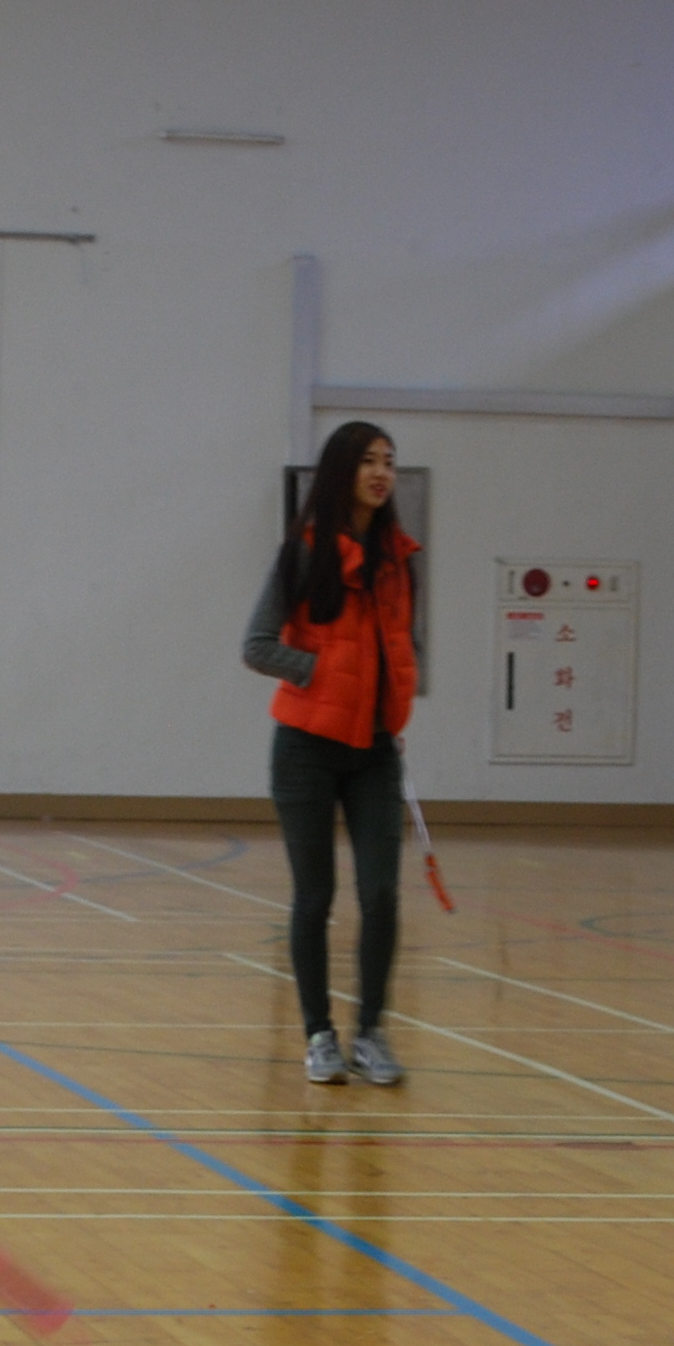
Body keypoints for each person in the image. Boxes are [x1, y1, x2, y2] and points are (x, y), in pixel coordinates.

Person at [243, 420, 418, 1086]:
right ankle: (319, 1033)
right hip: (306, 751)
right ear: (342, 472)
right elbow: (257, 644)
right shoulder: (303, 554)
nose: (381, 473)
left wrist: (389, 707)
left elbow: (398, 649)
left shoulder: (398, 561)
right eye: (368, 461)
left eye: (389, 462)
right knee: (315, 896)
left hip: (375, 752)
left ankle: (371, 1032)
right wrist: (320, 673)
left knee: (382, 891)